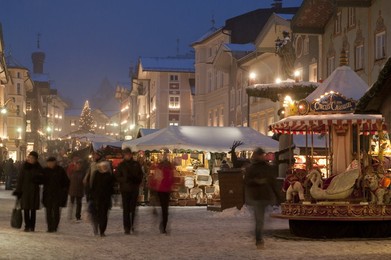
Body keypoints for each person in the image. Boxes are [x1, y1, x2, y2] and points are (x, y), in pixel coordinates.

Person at [244, 147, 282, 249]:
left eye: (261, 155)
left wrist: (278, 196)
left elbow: (273, 182)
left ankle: (259, 236)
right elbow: (246, 182)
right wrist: (257, 181)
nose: (261, 156)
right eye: (259, 155)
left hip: (265, 196)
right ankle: (259, 240)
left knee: (263, 219)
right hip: (257, 197)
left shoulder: (266, 167)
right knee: (260, 220)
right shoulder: (252, 168)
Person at [13, 151, 43, 232]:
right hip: (25, 191)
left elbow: (42, 178)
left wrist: (38, 179)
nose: (30, 159)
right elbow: (20, 179)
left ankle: (32, 226)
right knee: (26, 209)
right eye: (29, 157)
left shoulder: (38, 167)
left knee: (33, 210)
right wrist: (18, 191)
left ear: (36, 159)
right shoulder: (24, 167)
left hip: (34, 191)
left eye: (32, 158)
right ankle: (27, 226)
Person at [116, 148, 144, 234]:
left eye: (129, 154)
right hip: (125, 189)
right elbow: (117, 177)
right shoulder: (121, 165)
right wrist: (124, 179)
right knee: (126, 209)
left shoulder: (136, 164)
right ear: (124, 155)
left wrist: (137, 180)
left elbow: (141, 175)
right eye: (126, 154)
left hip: (134, 188)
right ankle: (126, 227)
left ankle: (132, 225)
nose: (128, 155)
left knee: (133, 209)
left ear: (131, 154)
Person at [42, 157, 70, 232]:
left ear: (55, 162)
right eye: (48, 163)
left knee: (56, 211)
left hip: (57, 194)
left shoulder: (60, 170)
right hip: (47, 194)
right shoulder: (45, 170)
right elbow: (40, 180)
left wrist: (63, 191)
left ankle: (55, 226)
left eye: (51, 163)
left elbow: (66, 182)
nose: (49, 164)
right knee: (48, 211)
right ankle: (49, 226)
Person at [89, 161, 115, 237]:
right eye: (103, 166)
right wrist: (91, 195)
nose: (104, 168)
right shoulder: (96, 174)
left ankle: (102, 230)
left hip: (106, 198)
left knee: (104, 214)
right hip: (96, 198)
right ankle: (96, 228)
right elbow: (93, 185)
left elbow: (111, 187)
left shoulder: (109, 175)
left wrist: (112, 196)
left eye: (105, 166)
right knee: (96, 214)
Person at [154, 151, 174, 234]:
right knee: (165, 209)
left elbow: (157, 178)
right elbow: (171, 179)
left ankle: (163, 225)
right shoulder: (167, 168)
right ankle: (163, 226)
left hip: (163, 190)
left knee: (164, 209)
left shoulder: (161, 167)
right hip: (163, 190)